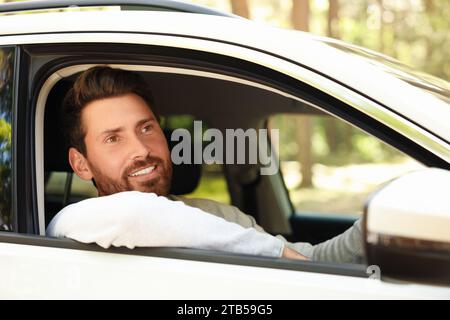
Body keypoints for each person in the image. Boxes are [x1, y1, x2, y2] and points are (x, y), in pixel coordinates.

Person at [48, 66, 363, 263]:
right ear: (81, 165)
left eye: (146, 128)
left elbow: (313, 262)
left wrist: (371, 229)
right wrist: (274, 254)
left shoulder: (220, 217)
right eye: (113, 139)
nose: (141, 149)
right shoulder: (74, 230)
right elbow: (133, 213)